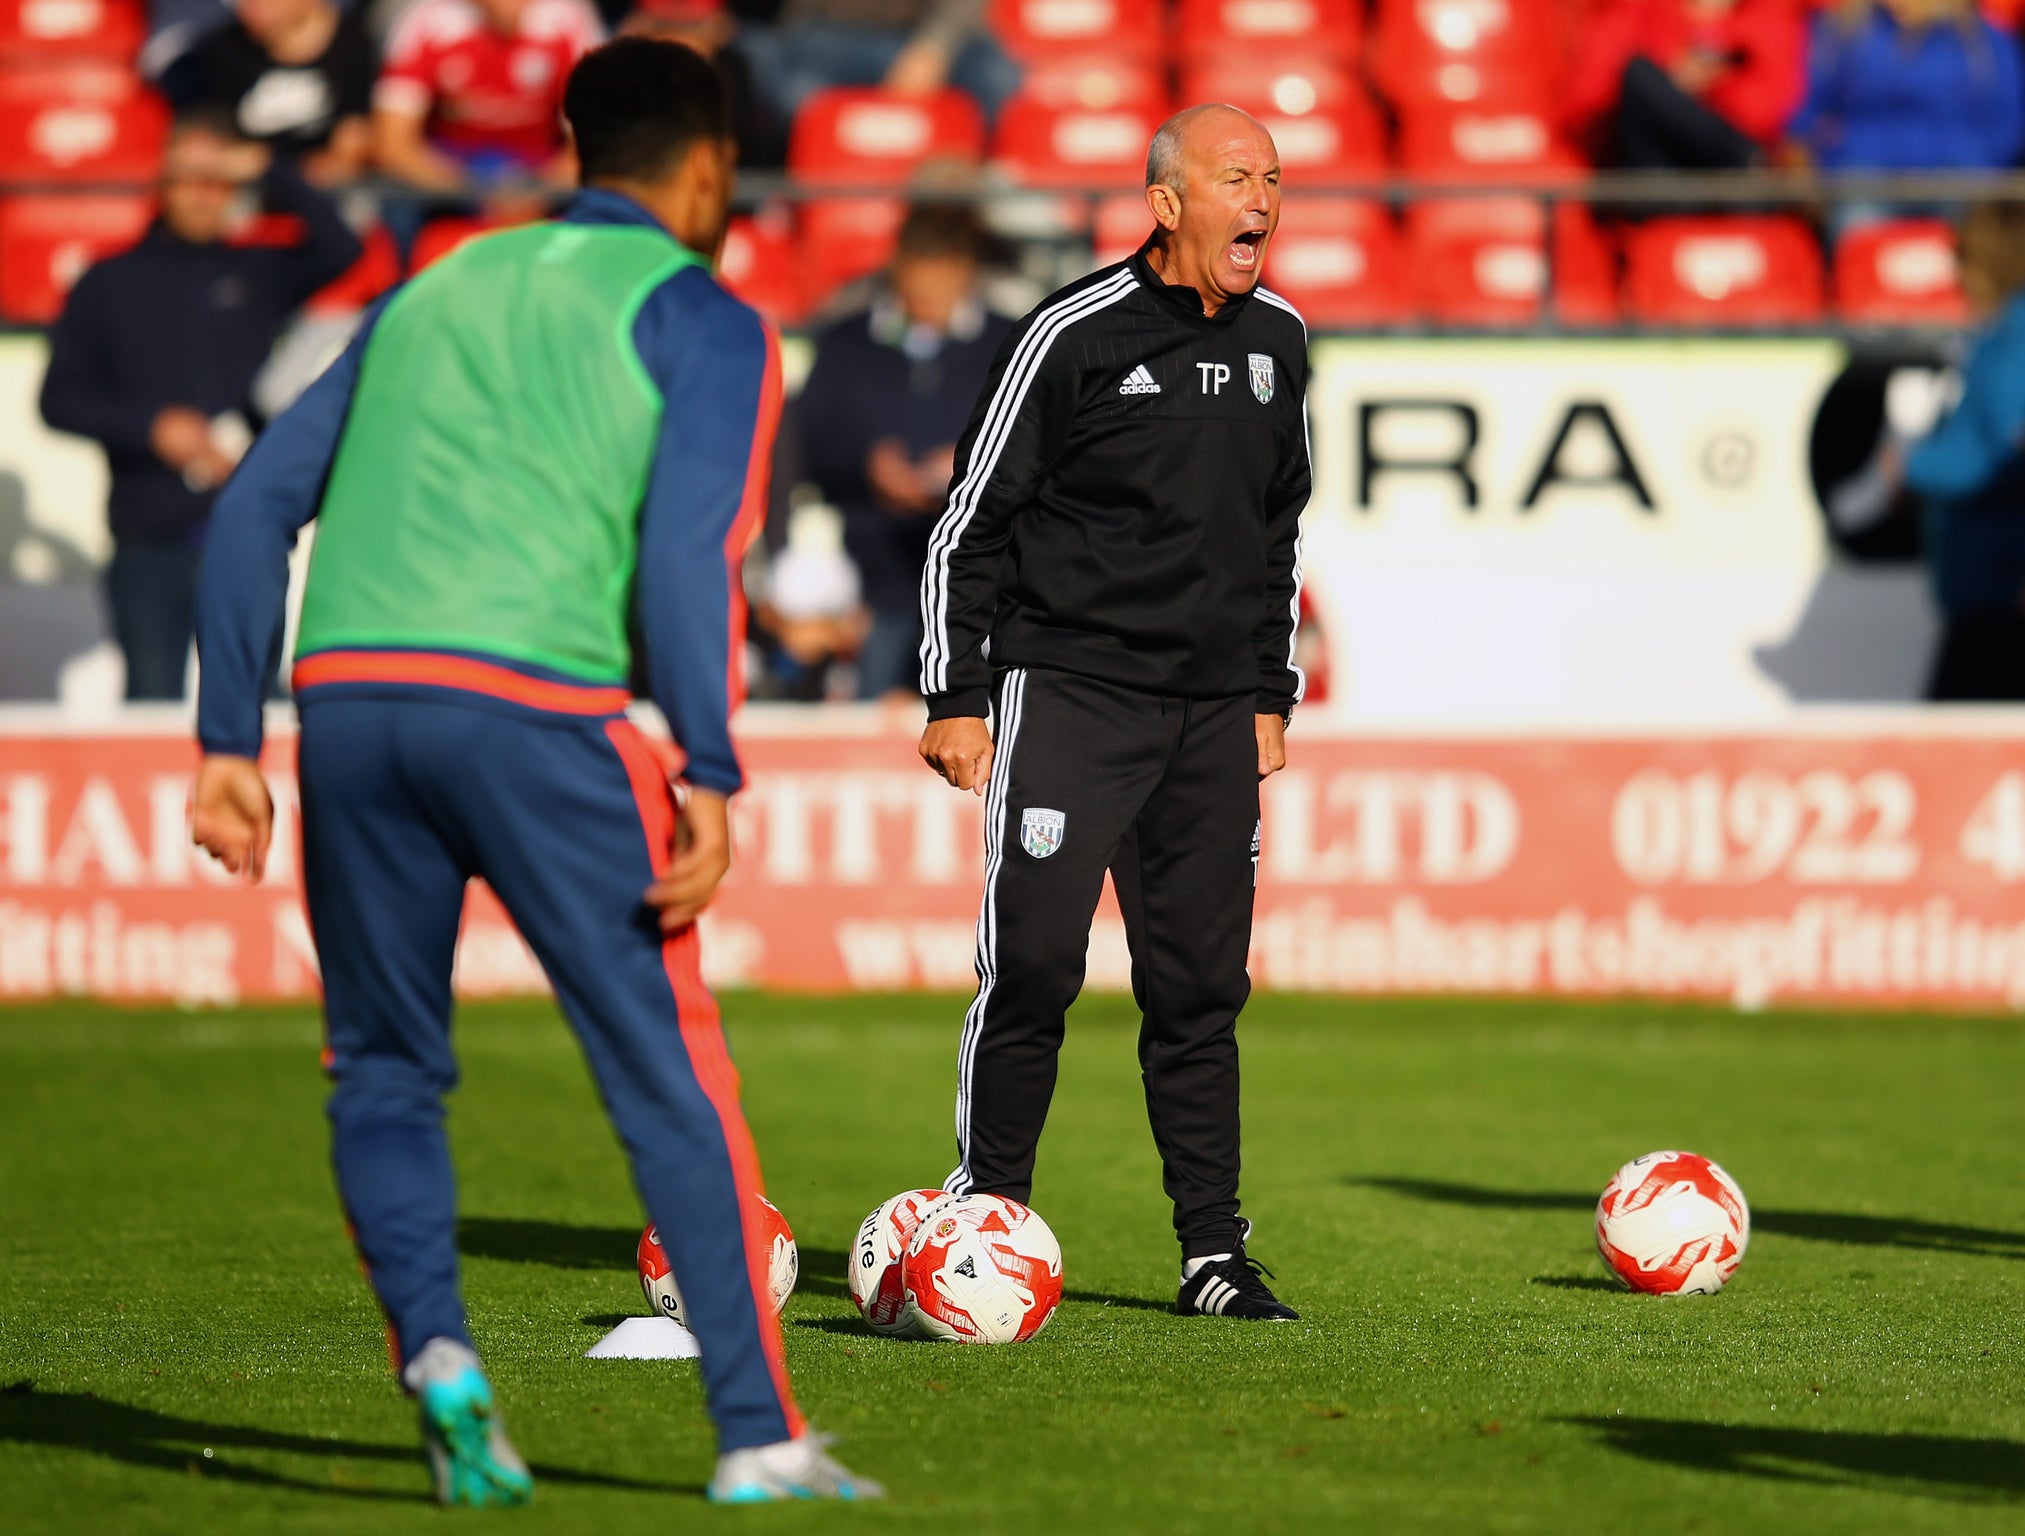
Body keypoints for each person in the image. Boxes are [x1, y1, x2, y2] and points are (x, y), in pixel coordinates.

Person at [187, 37, 879, 1505]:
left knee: (379, 1068)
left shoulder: (426, 290)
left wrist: (228, 744)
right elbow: (692, 556)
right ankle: (756, 1437)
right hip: (541, 710)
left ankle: (440, 1360)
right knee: (664, 1071)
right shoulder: (707, 318)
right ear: (707, 170)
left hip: (351, 703)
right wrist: (706, 760)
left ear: (569, 145)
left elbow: (251, 510)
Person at [915, 104, 1309, 1321]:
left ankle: (1213, 1256)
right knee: (1032, 967)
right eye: (1237, 177)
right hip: (1070, 696)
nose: (1263, 199)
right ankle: (986, 1217)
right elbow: (969, 523)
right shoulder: (1070, 336)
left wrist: (1266, 692)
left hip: (1209, 720)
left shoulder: (1284, 340)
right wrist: (955, 691)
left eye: (1275, 178)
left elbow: (1275, 534)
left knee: (1198, 989)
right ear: (1168, 201)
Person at [38, 109, 360, 701]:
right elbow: (58, 400)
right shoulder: (108, 282)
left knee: (255, 708)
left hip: (246, 530)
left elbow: (342, 247)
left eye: (219, 181)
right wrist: (151, 428)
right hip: (148, 536)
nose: (205, 194)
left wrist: (264, 165)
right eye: (190, 177)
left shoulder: (258, 269)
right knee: (150, 705)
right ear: (162, 184)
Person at [798, 202, 1012, 700]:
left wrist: (969, 469)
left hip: (978, 576)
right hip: (868, 575)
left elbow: (1043, 447)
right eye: (918, 282)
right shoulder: (845, 345)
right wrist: (867, 467)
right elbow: (811, 443)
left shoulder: (1012, 342)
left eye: (940, 283)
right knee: (865, 725)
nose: (928, 299)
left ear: (966, 271)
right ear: (898, 268)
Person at [1788, 0, 2024, 236]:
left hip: (1958, 177)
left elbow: (2007, 125)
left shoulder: (1984, 42)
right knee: (1857, 220)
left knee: (1978, 230)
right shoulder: (1842, 31)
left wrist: (1974, 160)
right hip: (1864, 174)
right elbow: (1807, 112)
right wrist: (1828, 152)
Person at [372, 0, 602, 194]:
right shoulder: (426, 20)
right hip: (450, 172)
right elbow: (393, 144)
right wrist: (469, 191)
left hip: (542, 171)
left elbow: (593, 140)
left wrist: (533, 190)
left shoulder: (571, 18)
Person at [1562, 0, 1806, 172]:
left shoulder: (1767, 16)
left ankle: (1744, 160)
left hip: (1730, 175)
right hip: (1657, 169)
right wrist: (1669, 82)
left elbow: (1770, 112)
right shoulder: (1638, 9)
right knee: (1639, 75)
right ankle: (1745, 160)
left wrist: (1712, 85)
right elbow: (1585, 100)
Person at [162, 0, 378, 183]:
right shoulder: (222, 51)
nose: (249, 8)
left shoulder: (355, 49)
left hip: (323, 208)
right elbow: (202, 149)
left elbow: (345, 160)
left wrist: (265, 165)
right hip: (242, 207)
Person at [738, 0, 1021, 129]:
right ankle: (782, 209)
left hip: (914, 33)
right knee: (794, 91)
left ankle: (985, 202)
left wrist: (935, 45)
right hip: (826, 35)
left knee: (997, 76)